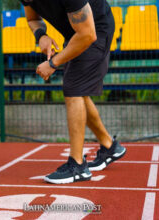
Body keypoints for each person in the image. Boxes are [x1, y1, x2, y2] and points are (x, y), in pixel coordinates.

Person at [19, 0, 126, 184]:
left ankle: (78, 166)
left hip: (95, 31)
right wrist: (41, 35)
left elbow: (88, 34)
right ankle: (109, 146)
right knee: (78, 90)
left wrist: (53, 64)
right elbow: (32, 19)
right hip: (75, 33)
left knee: (74, 90)